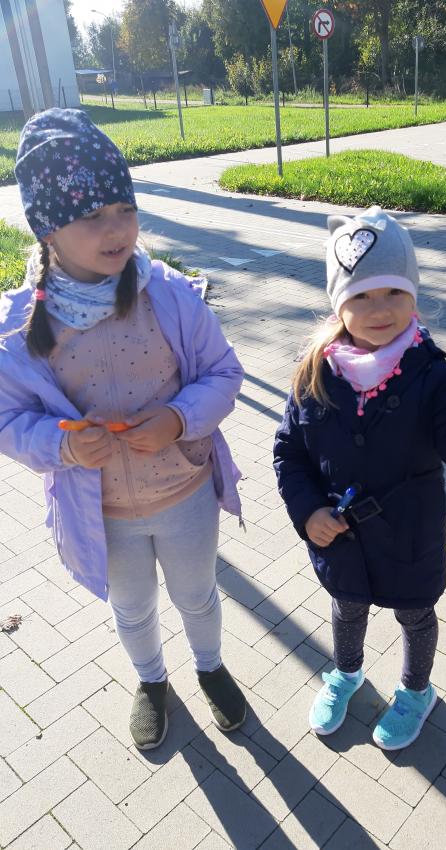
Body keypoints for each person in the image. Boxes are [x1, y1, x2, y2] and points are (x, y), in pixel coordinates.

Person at [1, 108, 246, 750]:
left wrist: (178, 418)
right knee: (131, 607)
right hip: (100, 511)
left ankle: (210, 666)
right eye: (91, 216)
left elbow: (224, 372)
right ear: (47, 229)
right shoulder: (18, 326)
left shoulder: (168, 294)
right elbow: (8, 420)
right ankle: (151, 680)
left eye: (125, 208)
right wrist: (61, 444)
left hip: (184, 494)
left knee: (198, 595)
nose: (116, 229)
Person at [273, 207, 446, 751]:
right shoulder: (316, 369)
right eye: (361, 296)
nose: (379, 310)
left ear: (414, 296)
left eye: (394, 293)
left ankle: (416, 691)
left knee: (415, 614)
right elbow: (289, 449)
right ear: (338, 303)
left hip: (408, 536)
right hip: (341, 539)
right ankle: (346, 672)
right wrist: (307, 511)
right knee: (346, 607)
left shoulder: (432, 373)